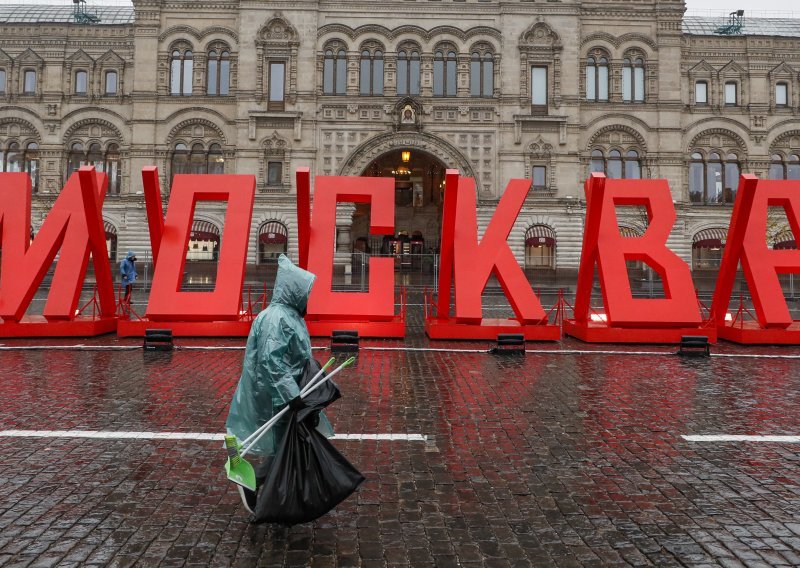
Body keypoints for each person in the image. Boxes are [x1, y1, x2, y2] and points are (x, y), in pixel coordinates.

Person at [226, 254, 333, 513]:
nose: (308, 298)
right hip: (280, 396)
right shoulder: (278, 318)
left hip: (287, 392)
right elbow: (272, 362)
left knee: (291, 443)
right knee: (289, 444)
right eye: (305, 291)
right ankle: (259, 482)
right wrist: (292, 394)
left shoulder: (288, 315)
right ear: (294, 290)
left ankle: (282, 491)